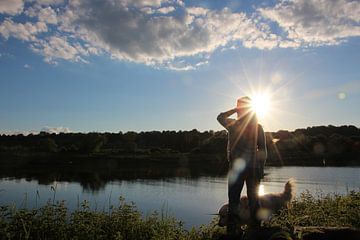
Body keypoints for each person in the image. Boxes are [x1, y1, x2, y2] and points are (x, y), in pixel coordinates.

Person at [217, 96, 267, 237]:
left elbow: (220, 117)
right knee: (253, 199)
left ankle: (234, 230)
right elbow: (263, 151)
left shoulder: (233, 125)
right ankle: (255, 229)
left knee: (234, 200)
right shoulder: (257, 127)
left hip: (238, 170)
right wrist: (261, 169)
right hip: (253, 169)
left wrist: (234, 109)